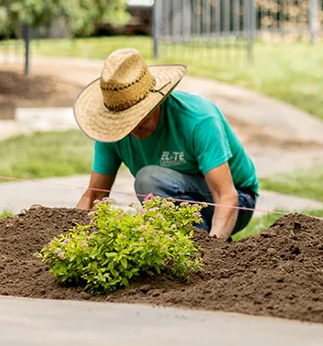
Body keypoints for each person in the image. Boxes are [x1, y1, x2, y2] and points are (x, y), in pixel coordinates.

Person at [73, 48, 259, 240]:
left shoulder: (199, 119)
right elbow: (95, 195)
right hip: (182, 196)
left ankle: (199, 246)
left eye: (140, 117)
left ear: (157, 101)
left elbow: (226, 196)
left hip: (236, 200)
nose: (133, 129)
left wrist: (214, 251)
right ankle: (188, 246)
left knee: (149, 180)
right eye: (125, 122)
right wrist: (73, 240)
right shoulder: (113, 132)